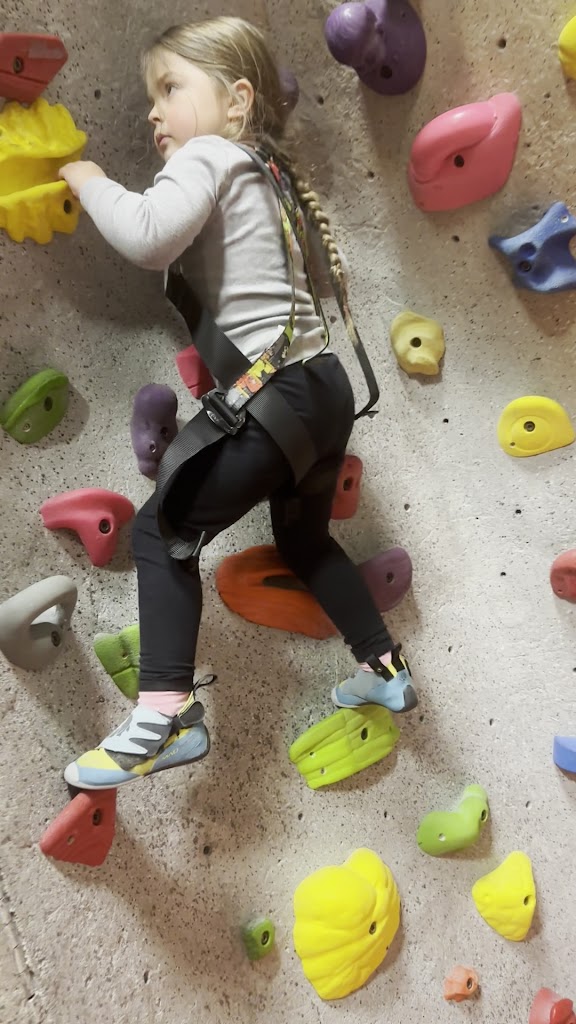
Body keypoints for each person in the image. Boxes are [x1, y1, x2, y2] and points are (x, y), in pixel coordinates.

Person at [59, 15, 417, 790]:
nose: (153, 111)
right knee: (305, 543)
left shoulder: (210, 155)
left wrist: (85, 178)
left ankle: (166, 717)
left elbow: (148, 235)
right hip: (321, 390)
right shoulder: (264, 173)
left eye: (169, 88)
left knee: (161, 532)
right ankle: (383, 667)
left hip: (277, 394)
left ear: (237, 101)